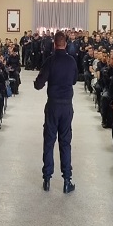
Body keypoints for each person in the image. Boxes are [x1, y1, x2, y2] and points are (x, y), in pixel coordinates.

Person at [34, 31, 78, 193]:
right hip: (66, 106)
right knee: (65, 142)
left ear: (54, 44)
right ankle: (67, 181)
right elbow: (74, 80)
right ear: (65, 44)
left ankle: (47, 179)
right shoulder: (71, 61)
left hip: (52, 105)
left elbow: (38, 85)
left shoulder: (50, 61)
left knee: (49, 141)